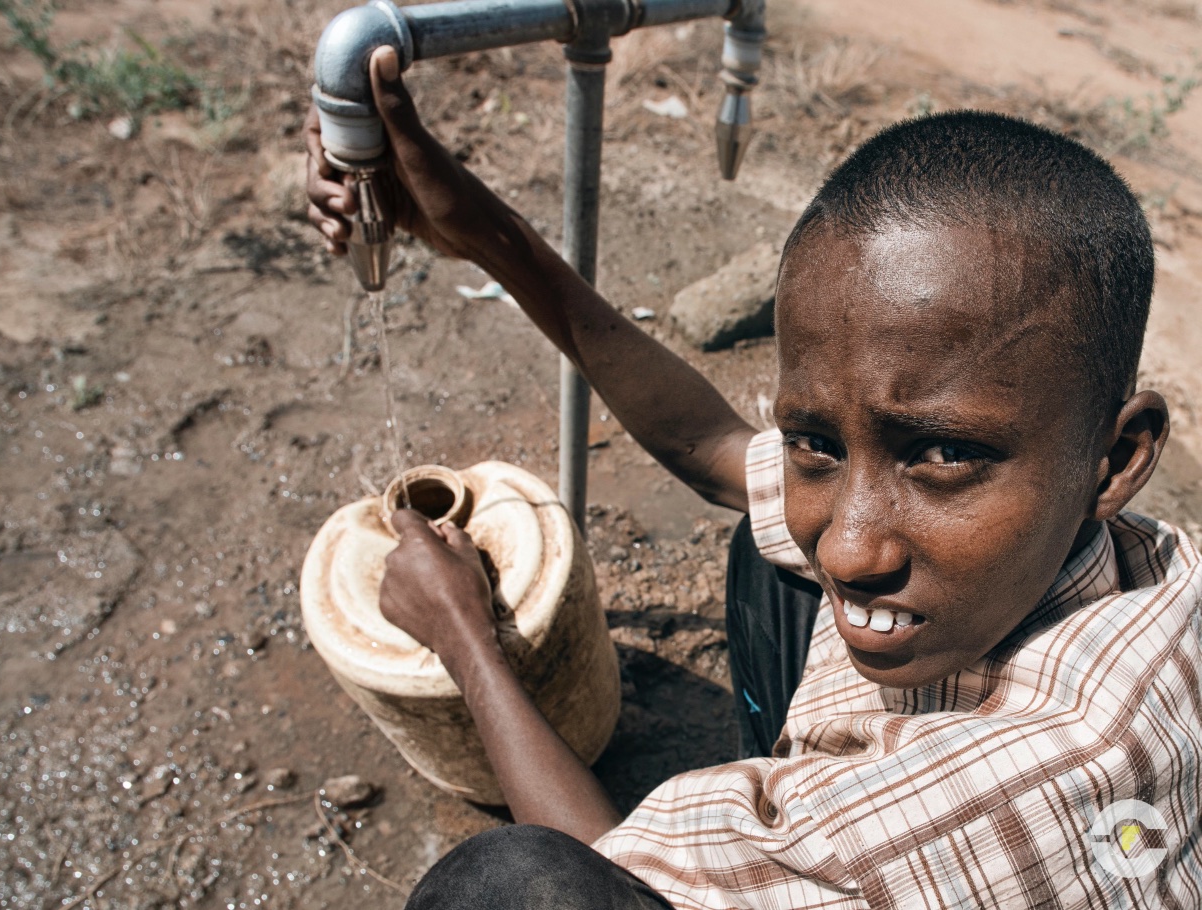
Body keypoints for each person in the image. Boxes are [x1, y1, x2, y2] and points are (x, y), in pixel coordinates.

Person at [305, 46, 1202, 909]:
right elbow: (713, 448)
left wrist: (466, 638)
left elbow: (592, 881)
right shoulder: (1124, 558)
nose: (849, 548)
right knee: (767, 547)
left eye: (943, 455)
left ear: (1117, 460)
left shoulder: (1018, 798)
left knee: (498, 888)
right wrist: (482, 232)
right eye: (816, 438)